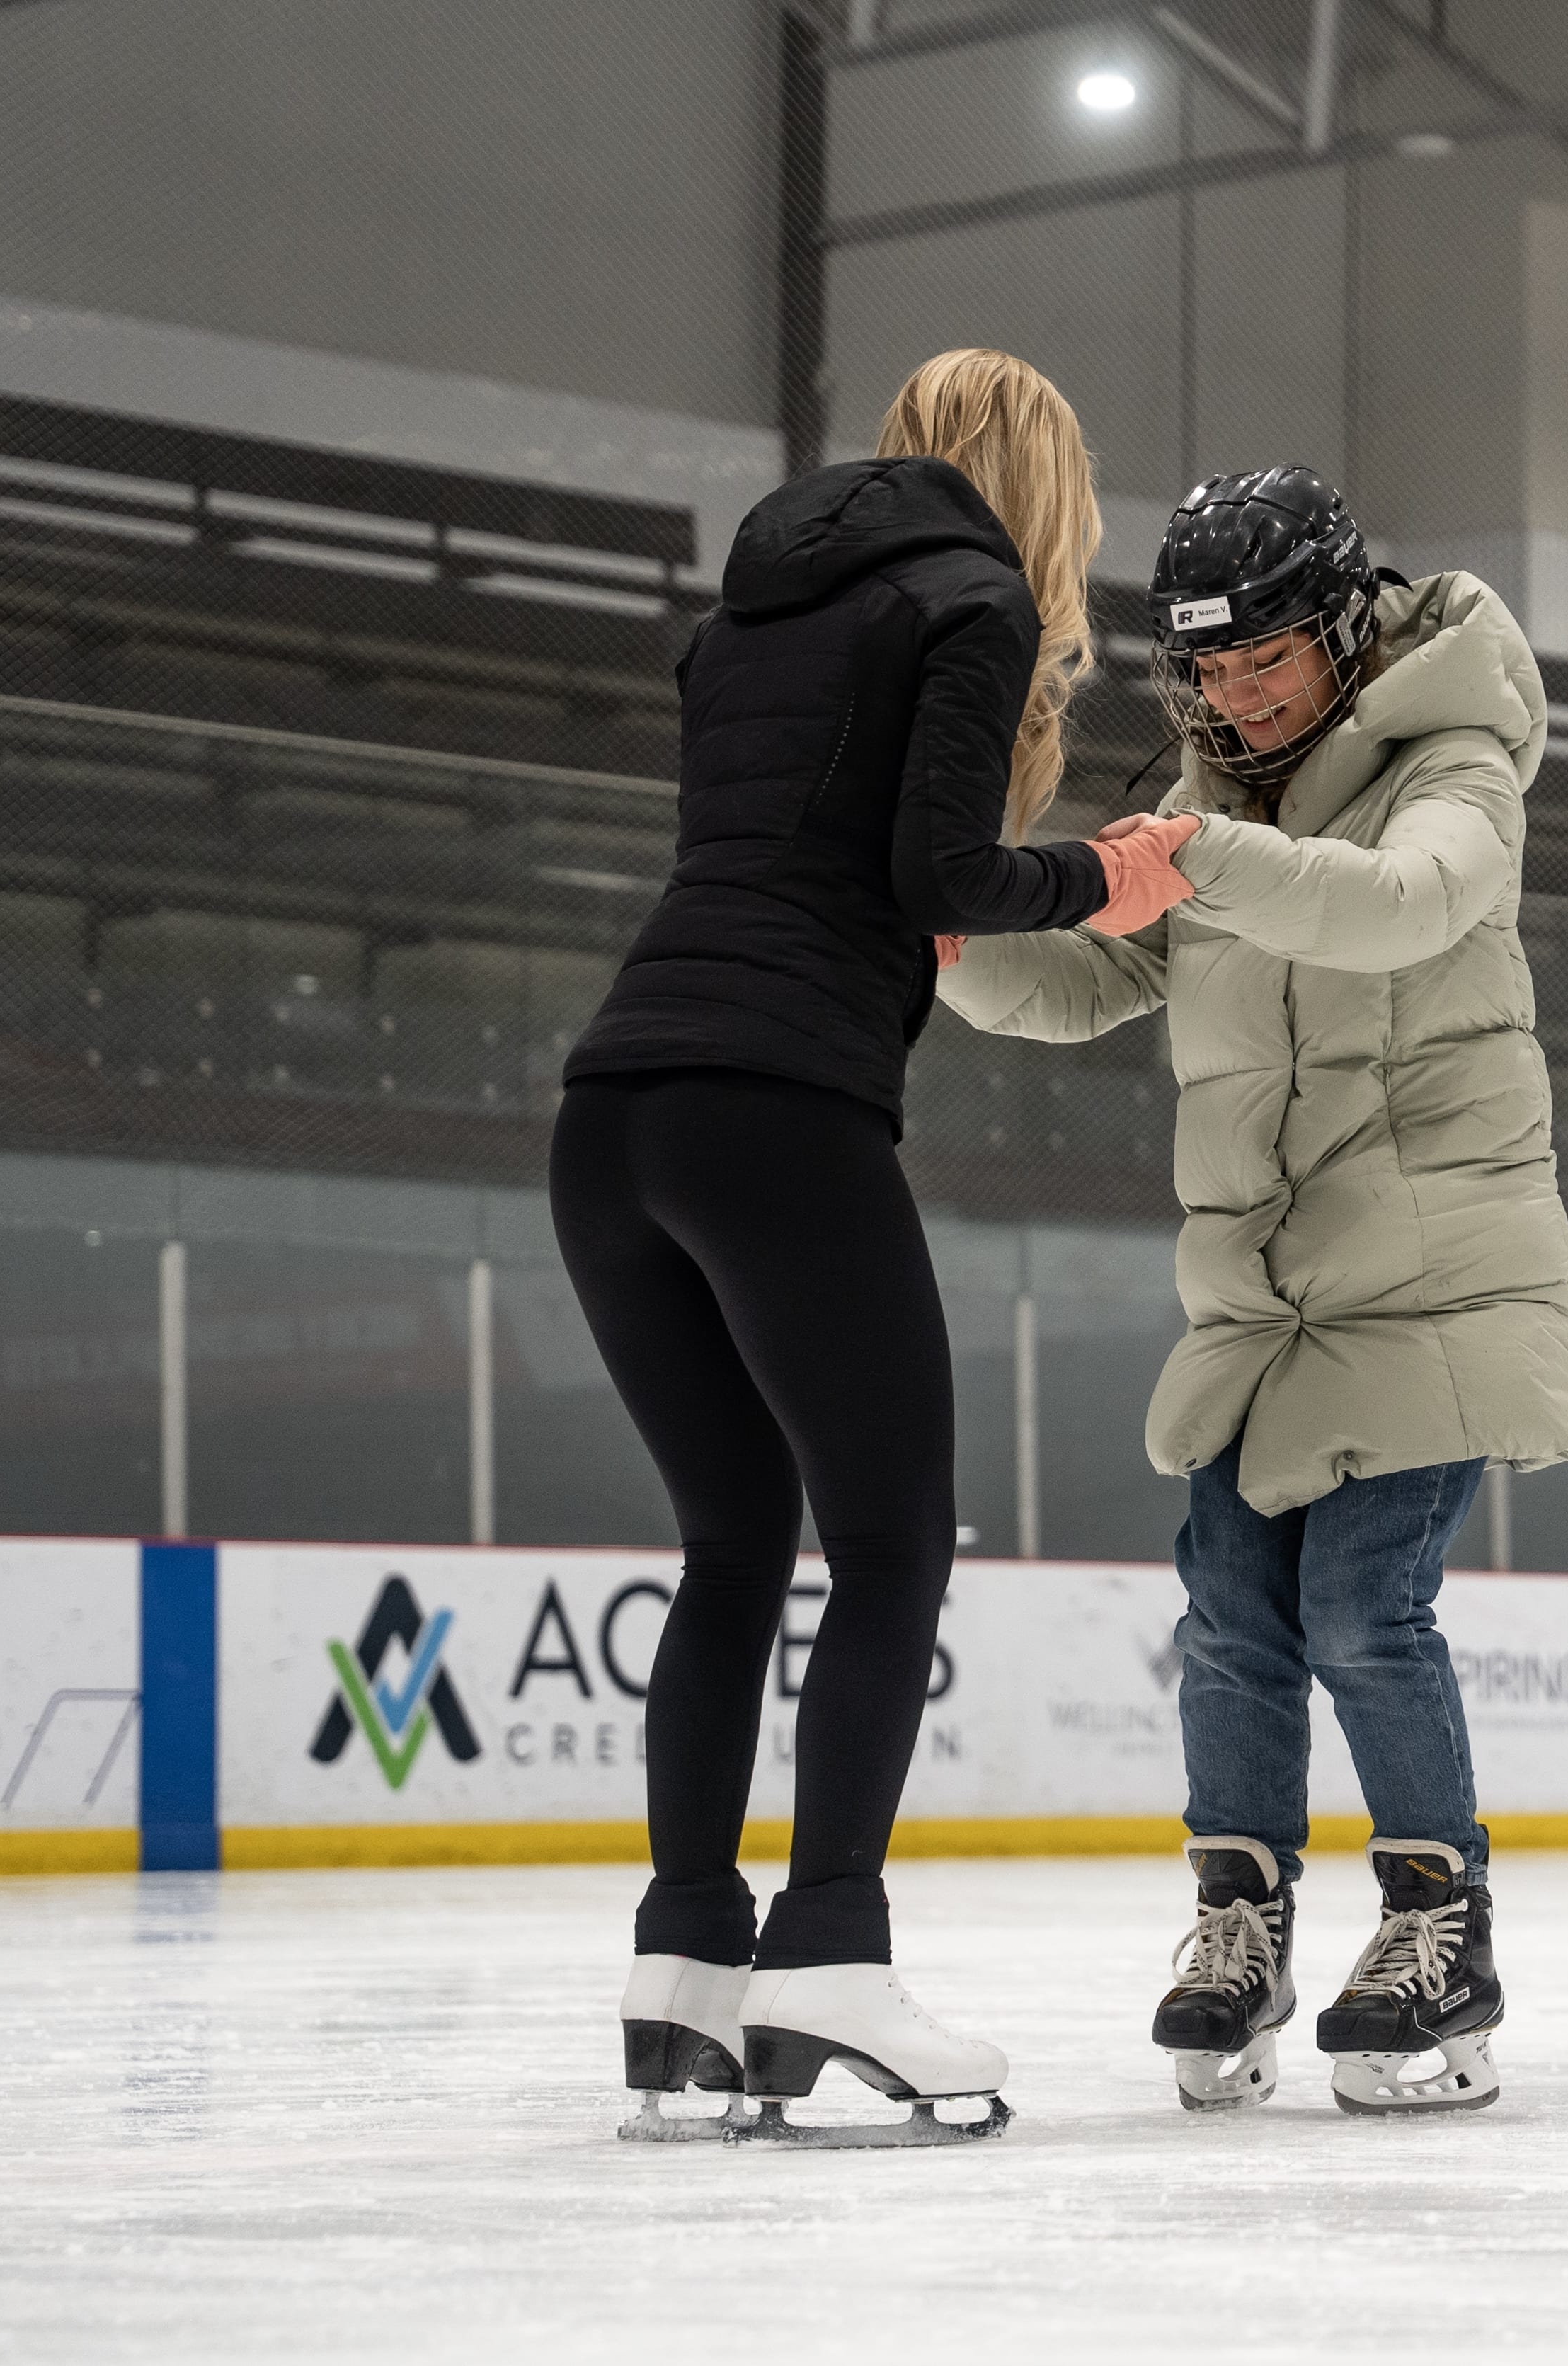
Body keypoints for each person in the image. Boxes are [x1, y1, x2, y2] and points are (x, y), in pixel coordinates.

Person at [552, 350, 1198, 2146]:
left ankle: (687, 1964)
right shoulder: (974, 599)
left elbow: (813, 861)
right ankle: (828, 1949)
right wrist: (1110, 880)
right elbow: (936, 877)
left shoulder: (744, 617)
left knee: (733, 1543)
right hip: (774, 1106)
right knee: (894, 1536)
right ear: (1041, 485)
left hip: (614, 1111)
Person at [934, 466, 1568, 2115]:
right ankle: (1242, 1921)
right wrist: (953, 943)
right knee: (1231, 1617)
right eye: (1209, 670)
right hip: (1265, 1299)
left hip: (1434, 1278)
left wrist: (1197, 853)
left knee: (1365, 1608)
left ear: (1348, 627)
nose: (1237, 696)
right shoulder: (1211, 798)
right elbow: (1095, 976)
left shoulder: (1454, 757)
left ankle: (1440, 1930)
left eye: (1267, 659)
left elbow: (1409, 905)